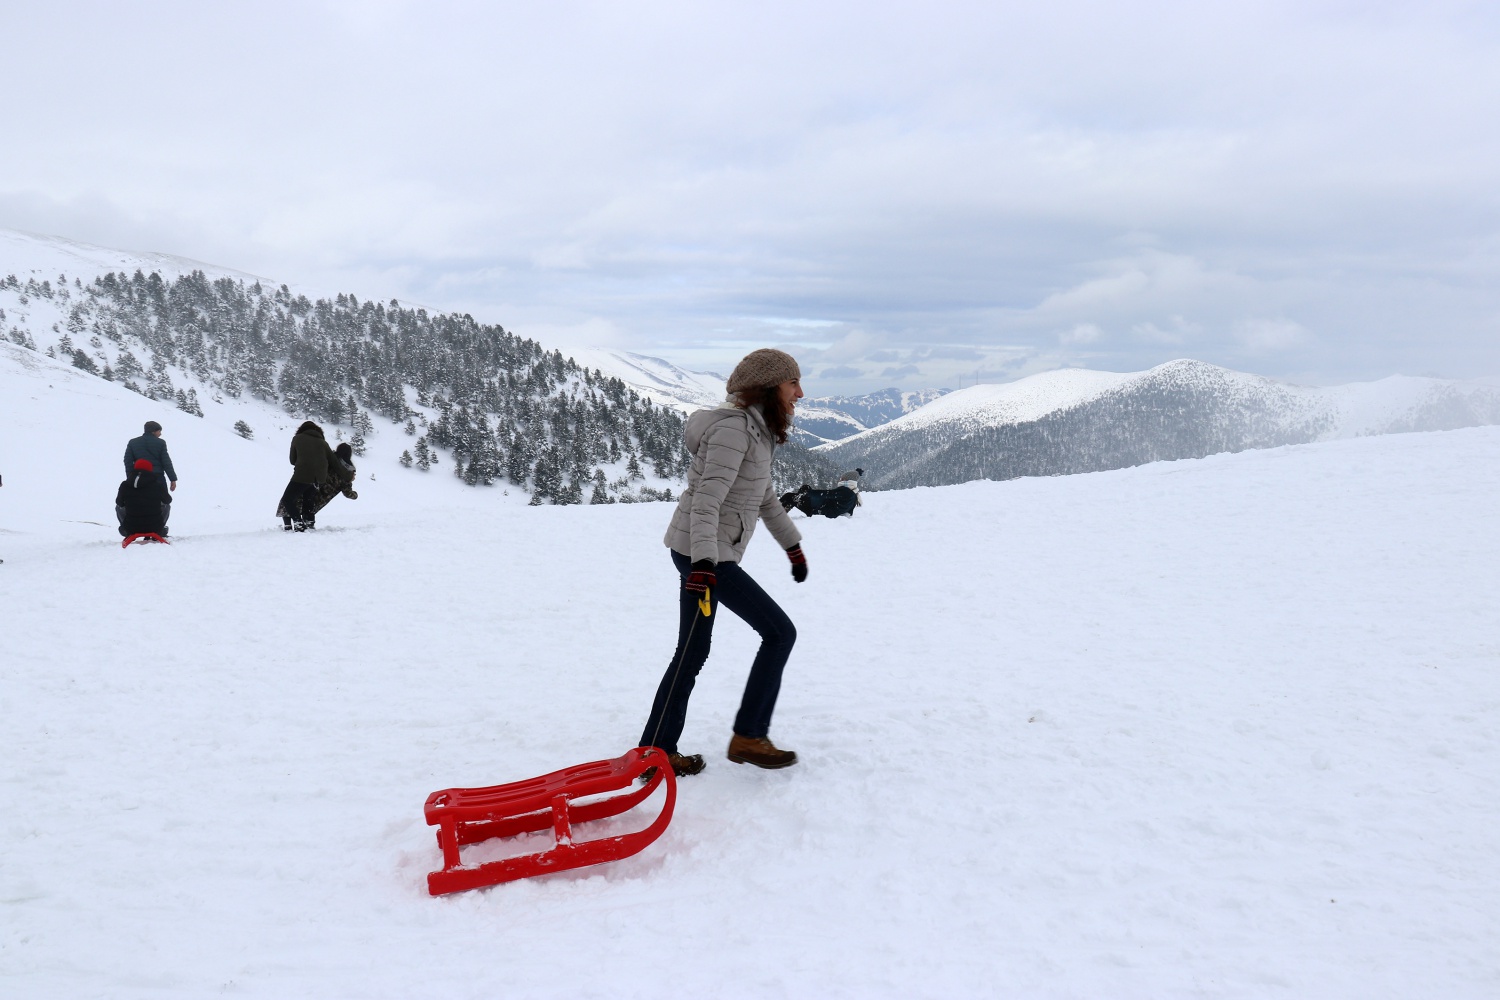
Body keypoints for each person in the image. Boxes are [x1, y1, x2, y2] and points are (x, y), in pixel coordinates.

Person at [640, 348, 810, 777]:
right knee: (779, 632)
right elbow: (706, 501)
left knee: (693, 649)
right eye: (793, 383)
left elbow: (764, 497)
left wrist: (792, 544)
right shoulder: (735, 432)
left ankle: (655, 751)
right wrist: (702, 565)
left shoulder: (758, 431)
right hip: (706, 555)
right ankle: (749, 736)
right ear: (771, 387)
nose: (800, 393)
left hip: (705, 553)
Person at [279, 441, 358, 529]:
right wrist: (355, 495)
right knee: (308, 508)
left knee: (290, 499)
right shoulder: (348, 471)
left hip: (311, 485)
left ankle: (288, 525)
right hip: (323, 497)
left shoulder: (328, 459)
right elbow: (347, 492)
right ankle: (308, 525)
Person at [278, 421, 339, 531]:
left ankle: (298, 522)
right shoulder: (323, 442)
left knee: (287, 499)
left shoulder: (297, 438)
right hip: (318, 478)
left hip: (302, 475)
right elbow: (333, 461)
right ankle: (309, 522)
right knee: (308, 499)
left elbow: (292, 460)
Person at [116, 458, 172, 538]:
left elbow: (119, 502)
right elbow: (168, 500)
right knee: (167, 505)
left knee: (118, 507)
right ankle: (160, 529)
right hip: (155, 527)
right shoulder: (157, 485)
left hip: (131, 527)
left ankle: (126, 530)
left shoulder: (125, 485)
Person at [123, 420, 178, 493]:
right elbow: (166, 462)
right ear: (153, 431)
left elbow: (128, 461)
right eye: (159, 431)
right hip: (157, 477)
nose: (160, 434)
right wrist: (172, 479)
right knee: (162, 501)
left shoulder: (133, 442)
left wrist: (130, 477)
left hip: (138, 477)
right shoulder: (161, 443)